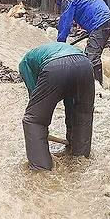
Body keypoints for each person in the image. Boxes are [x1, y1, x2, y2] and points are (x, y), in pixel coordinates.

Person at [20, 42, 95, 170]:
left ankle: (41, 171)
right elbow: (71, 102)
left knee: (33, 121)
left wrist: (41, 129)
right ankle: (80, 159)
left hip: (55, 67)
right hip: (85, 65)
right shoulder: (53, 50)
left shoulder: (24, 63)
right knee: (82, 114)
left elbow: (35, 97)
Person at [46, 0, 110, 86]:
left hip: (100, 22)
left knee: (92, 57)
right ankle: (94, 85)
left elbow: (65, 24)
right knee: (91, 54)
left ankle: (97, 88)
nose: (53, 0)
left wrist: (59, 46)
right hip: (105, 20)